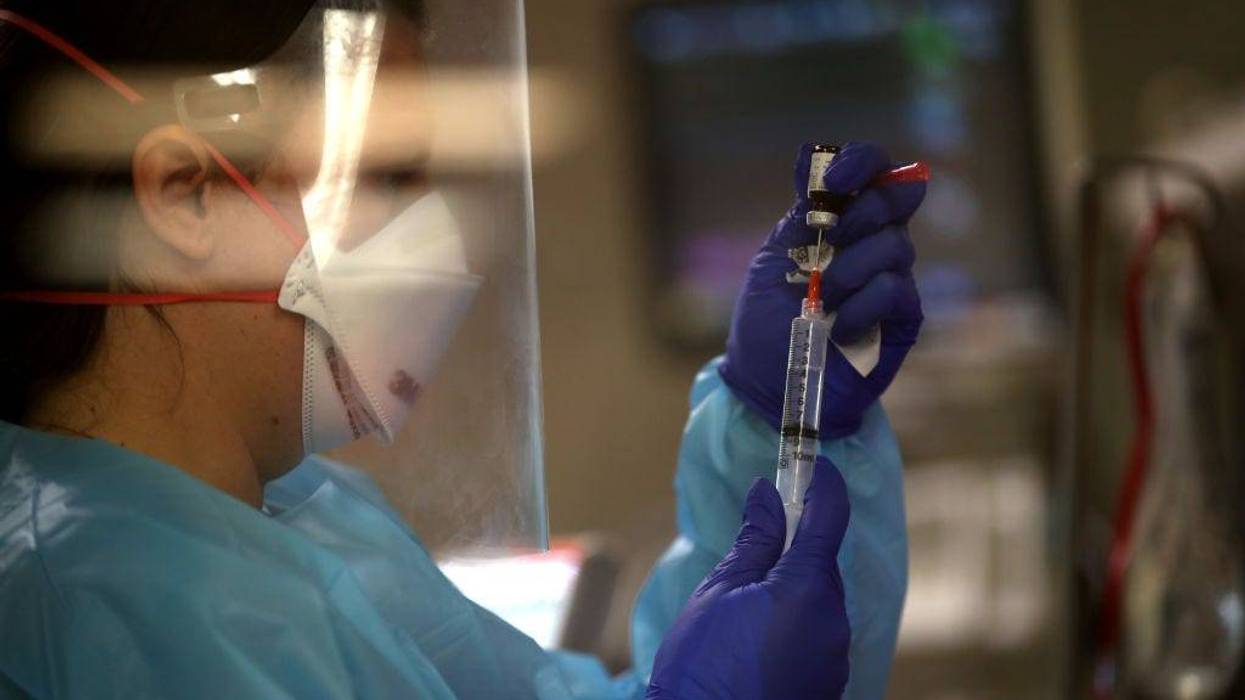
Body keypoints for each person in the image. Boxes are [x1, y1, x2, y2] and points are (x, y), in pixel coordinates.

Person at [0, 1, 925, 698]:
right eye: (388, 173)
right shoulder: (117, 616)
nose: (431, 232)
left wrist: (777, 426)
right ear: (187, 196)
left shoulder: (297, 519)